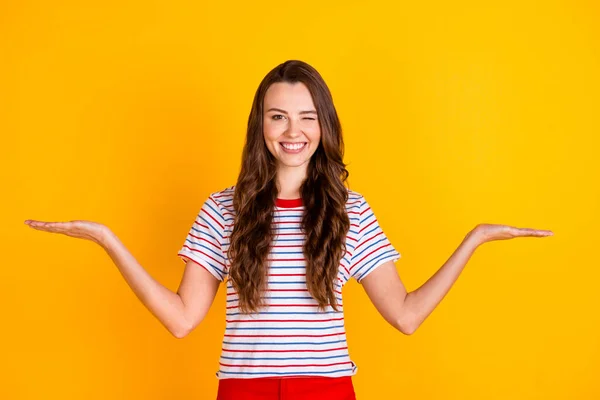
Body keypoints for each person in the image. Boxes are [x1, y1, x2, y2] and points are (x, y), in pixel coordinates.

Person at [24, 60, 553, 400]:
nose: (292, 131)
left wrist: (474, 240)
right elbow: (183, 320)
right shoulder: (221, 210)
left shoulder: (351, 211)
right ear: (261, 125)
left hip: (326, 391)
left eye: (306, 117)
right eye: (277, 117)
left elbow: (406, 316)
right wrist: (107, 240)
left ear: (324, 125)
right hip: (242, 391)